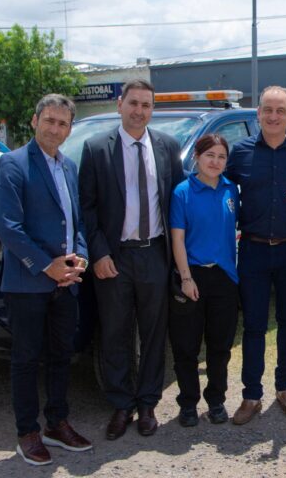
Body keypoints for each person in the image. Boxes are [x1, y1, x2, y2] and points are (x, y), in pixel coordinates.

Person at [79, 79, 184, 440]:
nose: (140, 111)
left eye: (147, 105)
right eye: (134, 103)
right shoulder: (96, 149)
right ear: (120, 104)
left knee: (155, 333)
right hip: (114, 259)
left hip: (155, 254)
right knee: (115, 333)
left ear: (152, 109)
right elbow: (87, 209)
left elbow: (176, 205)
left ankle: (148, 404)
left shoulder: (168, 147)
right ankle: (121, 404)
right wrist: (98, 253)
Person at [0, 94, 92, 466]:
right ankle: (27, 432)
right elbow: (9, 228)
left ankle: (57, 422)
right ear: (35, 121)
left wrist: (78, 257)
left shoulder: (68, 167)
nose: (55, 128)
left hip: (66, 282)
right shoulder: (13, 164)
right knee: (25, 359)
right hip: (28, 283)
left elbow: (76, 222)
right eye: (49, 120)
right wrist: (45, 265)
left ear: (69, 129)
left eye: (63, 123)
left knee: (61, 357)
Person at [226, 85, 286, 425]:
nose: (274, 116)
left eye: (281, 110)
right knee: (253, 325)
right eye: (268, 110)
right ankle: (251, 395)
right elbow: (218, 187)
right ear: (258, 114)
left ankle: (285, 388)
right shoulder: (240, 152)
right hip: (251, 250)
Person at [168, 134, 239, 427]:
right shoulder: (182, 192)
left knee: (220, 346)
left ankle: (216, 400)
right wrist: (185, 278)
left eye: (221, 157)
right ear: (197, 156)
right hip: (192, 276)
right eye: (210, 155)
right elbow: (178, 239)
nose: (216, 162)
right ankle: (187, 403)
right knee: (186, 345)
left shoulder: (231, 189)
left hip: (224, 277)